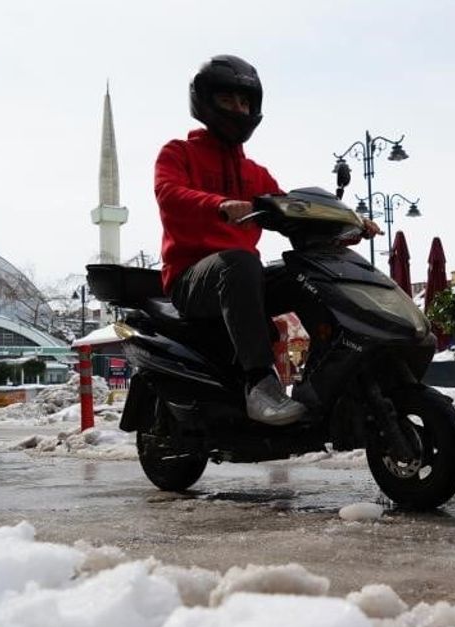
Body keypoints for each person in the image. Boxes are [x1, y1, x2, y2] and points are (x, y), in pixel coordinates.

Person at [155, 54, 378, 426]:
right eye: (228, 100)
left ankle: (330, 371)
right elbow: (169, 193)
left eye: (245, 102)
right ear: (205, 101)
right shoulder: (178, 153)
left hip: (241, 279)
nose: (238, 109)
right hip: (191, 279)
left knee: (307, 273)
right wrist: (220, 204)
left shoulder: (254, 172)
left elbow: (294, 212)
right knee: (239, 262)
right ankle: (259, 383)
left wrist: (348, 223)